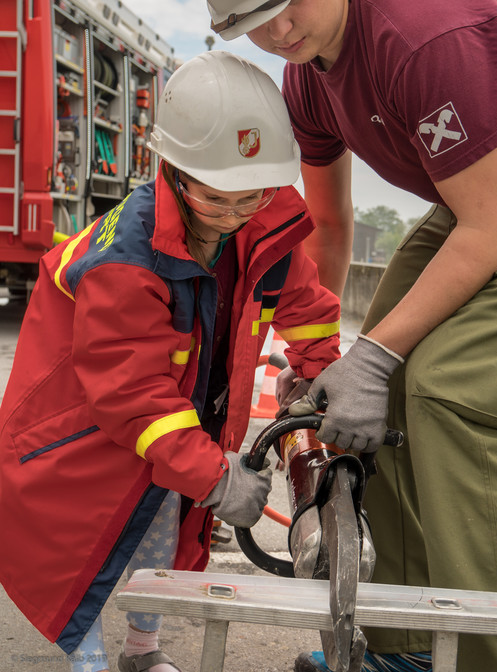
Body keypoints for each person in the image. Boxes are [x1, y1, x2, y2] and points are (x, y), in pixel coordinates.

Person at [185, 0, 497, 672]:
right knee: (366, 404)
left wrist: (379, 359)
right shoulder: (308, 81)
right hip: (474, 199)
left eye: (287, 0)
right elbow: (326, 229)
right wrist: (320, 358)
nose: (280, 31)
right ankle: (406, 648)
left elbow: (495, 226)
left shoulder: (421, 39)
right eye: (255, 21)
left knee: (440, 389)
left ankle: (490, 652)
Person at [0, 50, 342, 672]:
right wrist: (215, 477)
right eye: (218, 199)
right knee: (88, 548)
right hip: (82, 430)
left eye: (253, 196)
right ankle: (90, 657)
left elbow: (308, 306)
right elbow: (131, 394)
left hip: (173, 421)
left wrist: (322, 372)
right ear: (174, 172)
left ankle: (142, 649)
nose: (238, 215)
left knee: (159, 529)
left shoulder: (263, 226)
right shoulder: (126, 260)